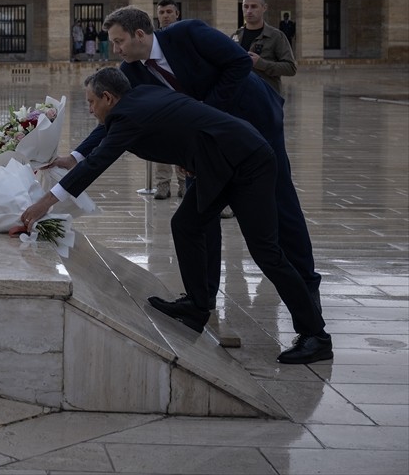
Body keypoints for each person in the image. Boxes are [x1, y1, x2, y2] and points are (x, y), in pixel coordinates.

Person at [19, 69, 331, 365]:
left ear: (108, 98)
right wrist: (72, 158)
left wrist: (45, 203)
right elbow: (118, 133)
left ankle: (316, 335)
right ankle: (196, 307)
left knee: (266, 251)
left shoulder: (130, 115)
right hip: (217, 163)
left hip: (248, 162)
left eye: (90, 101)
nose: (89, 109)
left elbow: (98, 162)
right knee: (185, 224)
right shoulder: (136, 99)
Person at [74, 6, 320, 310]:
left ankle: (307, 283)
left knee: (280, 199)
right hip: (204, 143)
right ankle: (202, 295)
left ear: (139, 34)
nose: (115, 49)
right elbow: (115, 118)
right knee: (198, 213)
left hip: (252, 119)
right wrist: (75, 155)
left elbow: (238, 63)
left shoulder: (187, 33)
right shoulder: (131, 73)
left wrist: (206, 118)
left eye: (119, 41)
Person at [232, 0, 297, 95]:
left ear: (264, 8)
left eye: (254, 7)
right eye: (245, 6)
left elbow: (290, 68)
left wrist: (261, 64)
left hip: (266, 97)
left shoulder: (276, 36)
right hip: (239, 97)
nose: (249, 11)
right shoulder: (236, 36)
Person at [152, 0, 183, 200]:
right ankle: (162, 184)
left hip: (182, 96)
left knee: (183, 141)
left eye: (169, 12)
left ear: (177, 14)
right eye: (161, 12)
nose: (165, 16)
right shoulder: (153, 38)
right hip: (160, 98)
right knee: (161, 142)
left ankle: (184, 182)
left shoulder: (185, 36)